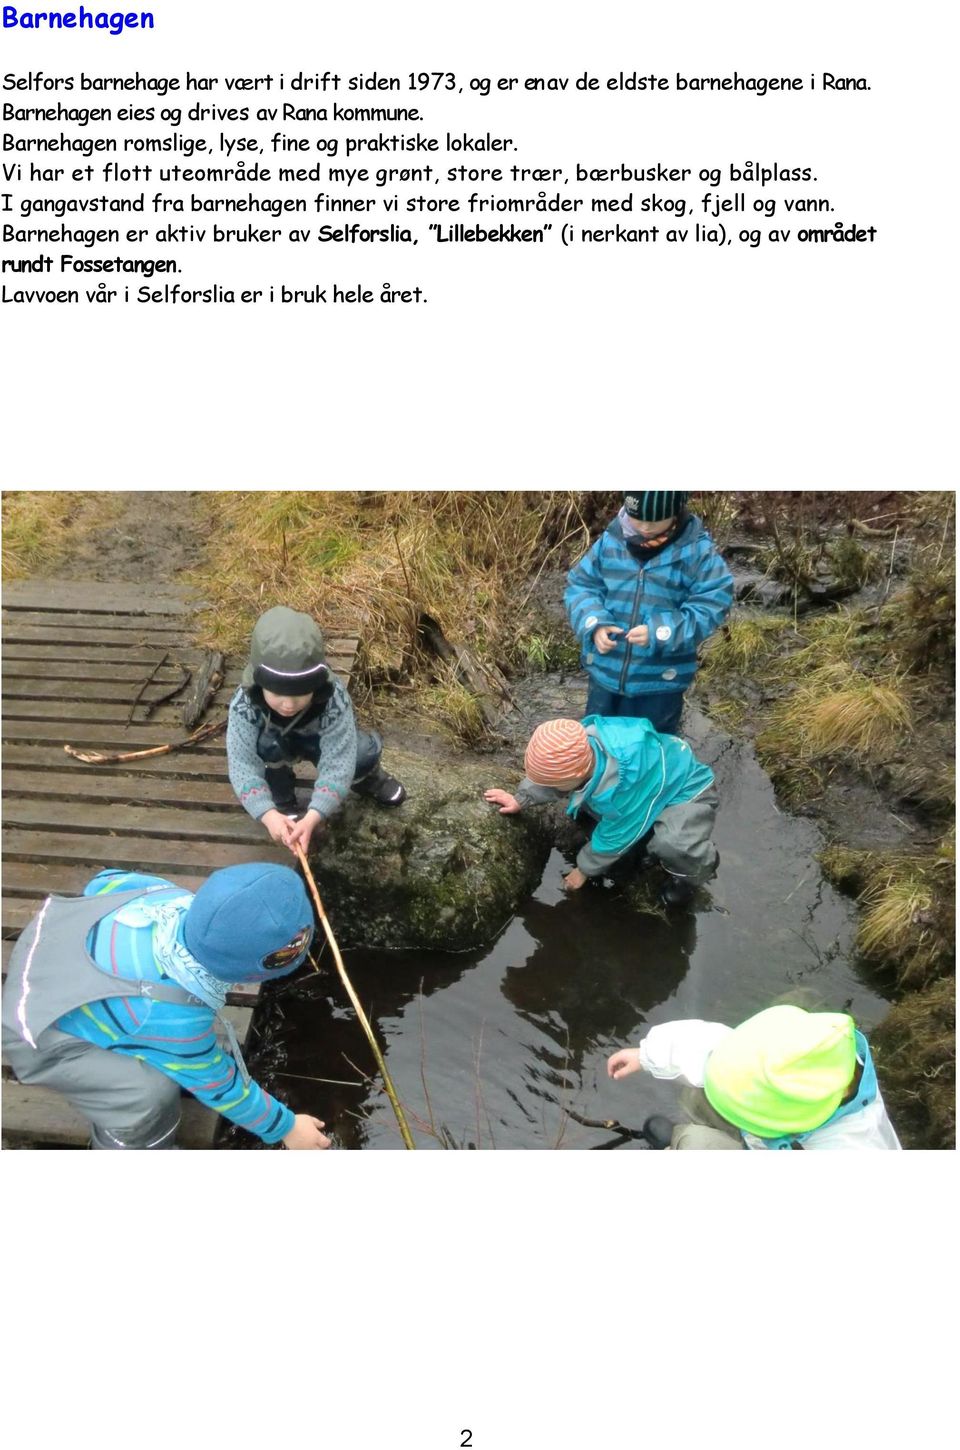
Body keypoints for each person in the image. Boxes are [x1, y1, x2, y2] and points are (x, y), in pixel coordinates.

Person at [1, 863, 331, 1150]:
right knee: (148, 1095)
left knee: (142, 1033)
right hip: (35, 1033)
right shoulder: (174, 1017)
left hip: (50, 942)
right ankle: (130, 1145)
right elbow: (219, 1084)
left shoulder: (166, 896)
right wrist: (285, 1127)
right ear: (250, 974)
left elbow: (102, 882)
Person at [227, 604, 405, 857]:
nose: (288, 704)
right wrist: (267, 815)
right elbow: (242, 764)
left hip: (318, 739)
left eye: (300, 694)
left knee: (359, 755)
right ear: (259, 683)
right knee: (264, 748)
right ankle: (280, 794)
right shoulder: (243, 704)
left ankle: (369, 779)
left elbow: (338, 763)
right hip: (275, 744)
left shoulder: (334, 699)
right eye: (277, 693)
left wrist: (313, 816)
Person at [484, 715, 718, 906]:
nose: (549, 788)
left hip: (685, 790)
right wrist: (521, 799)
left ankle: (691, 873)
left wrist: (585, 868)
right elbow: (554, 778)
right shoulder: (580, 746)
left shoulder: (621, 787)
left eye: (552, 784)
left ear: (577, 775)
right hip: (646, 786)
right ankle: (649, 830)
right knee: (620, 819)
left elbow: (618, 832)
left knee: (672, 844)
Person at [607, 1004, 902, 1149]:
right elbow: (720, 1050)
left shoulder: (850, 1150)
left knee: (694, 1143)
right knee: (697, 1101)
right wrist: (648, 1056)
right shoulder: (803, 1056)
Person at [564, 490, 734, 733]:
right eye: (637, 518)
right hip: (605, 673)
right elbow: (582, 585)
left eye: (654, 521)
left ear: (675, 514)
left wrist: (661, 631)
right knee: (597, 744)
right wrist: (594, 623)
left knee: (652, 752)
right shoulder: (610, 542)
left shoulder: (697, 553)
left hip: (661, 683)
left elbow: (711, 603)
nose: (644, 527)